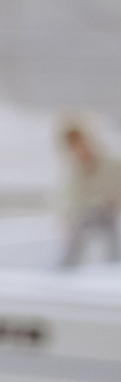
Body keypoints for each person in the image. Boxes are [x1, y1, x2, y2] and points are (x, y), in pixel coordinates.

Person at [58, 111, 121, 266]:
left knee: (112, 238)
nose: (77, 148)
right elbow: (71, 201)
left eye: (78, 141)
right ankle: (65, 270)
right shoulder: (74, 171)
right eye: (72, 145)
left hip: (111, 214)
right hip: (87, 215)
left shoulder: (112, 164)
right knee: (77, 232)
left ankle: (113, 268)